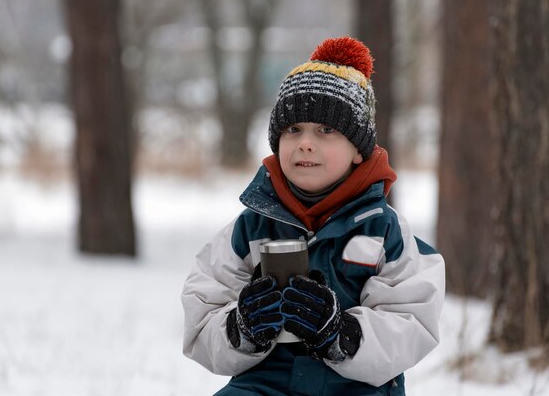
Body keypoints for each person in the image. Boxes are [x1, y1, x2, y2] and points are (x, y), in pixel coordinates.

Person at [181, 36, 445, 396]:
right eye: (293, 130)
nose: (306, 142)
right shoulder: (251, 227)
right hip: (266, 382)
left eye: (326, 131)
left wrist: (340, 333)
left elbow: (413, 320)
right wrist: (241, 327)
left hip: (356, 387)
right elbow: (204, 311)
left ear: (358, 151)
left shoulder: (384, 230)